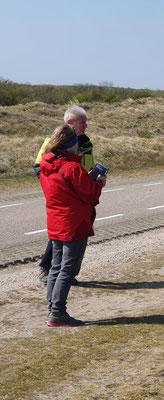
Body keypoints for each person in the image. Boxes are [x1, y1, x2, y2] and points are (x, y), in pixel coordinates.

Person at [40, 125, 106, 326]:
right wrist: (99, 182)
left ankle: (53, 308)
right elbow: (89, 194)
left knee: (56, 267)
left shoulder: (46, 164)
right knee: (68, 269)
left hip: (56, 220)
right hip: (74, 222)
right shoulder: (72, 167)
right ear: (72, 144)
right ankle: (58, 313)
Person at [34, 106, 95, 284]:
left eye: (86, 121)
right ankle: (48, 268)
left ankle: (68, 274)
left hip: (84, 192)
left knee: (79, 232)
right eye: (83, 122)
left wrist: (92, 176)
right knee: (64, 234)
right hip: (66, 196)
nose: (86, 125)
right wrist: (58, 188)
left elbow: (87, 164)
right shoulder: (52, 141)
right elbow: (40, 167)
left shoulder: (85, 142)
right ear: (71, 123)